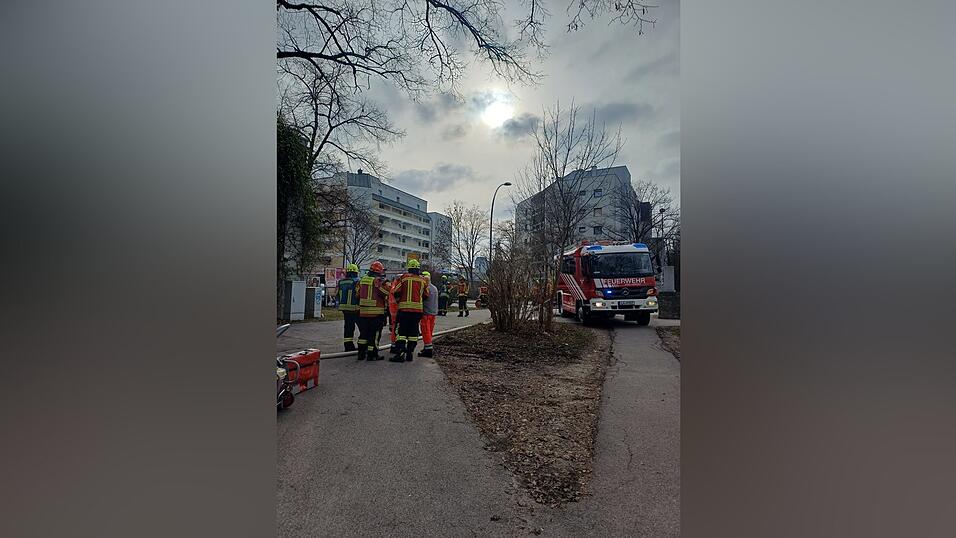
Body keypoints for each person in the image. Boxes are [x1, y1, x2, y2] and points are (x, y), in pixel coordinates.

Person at [390, 259, 429, 362]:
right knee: (413, 332)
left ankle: (400, 354)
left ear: (409, 268)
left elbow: (396, 291)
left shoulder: (404, 278)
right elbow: (426, 295)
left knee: (401, 332)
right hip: (417, 312)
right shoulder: (423, 281)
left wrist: (399, 301)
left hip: (404, 310)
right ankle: (410, 353)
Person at [356, 261, 389, 361]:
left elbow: (357, 294)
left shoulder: (362, 280)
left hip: (363, 313)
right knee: (374, 335)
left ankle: (361, 354)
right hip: (376, 313)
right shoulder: (378, 281)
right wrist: (385, 284)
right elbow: (386, 292)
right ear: (379, 271)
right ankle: (372, 354)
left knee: (363, 334)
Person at [337, 263, 361, 351]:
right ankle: (363, 345)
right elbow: (359, 294)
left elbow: (337, 295)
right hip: (355, 308)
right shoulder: (357, 281)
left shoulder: (341, 282)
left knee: (348, 327)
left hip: (344, 309)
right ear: (356, 272)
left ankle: (348, 346)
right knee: (363, 328)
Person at [419, 271, 439, 357]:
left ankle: (428, 350)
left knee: (425, 331)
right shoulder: (434, 288)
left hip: (426, 313)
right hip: (433, 313)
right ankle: (427, 347)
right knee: (429, 332)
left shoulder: (425, 288)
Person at [387, 276, 400, 354]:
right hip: (397, 311)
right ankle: (396, 346)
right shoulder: (397, 288)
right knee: (398, 330)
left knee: (394, 329)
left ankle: (393, 345)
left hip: (392, 312)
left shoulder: (393, 287)